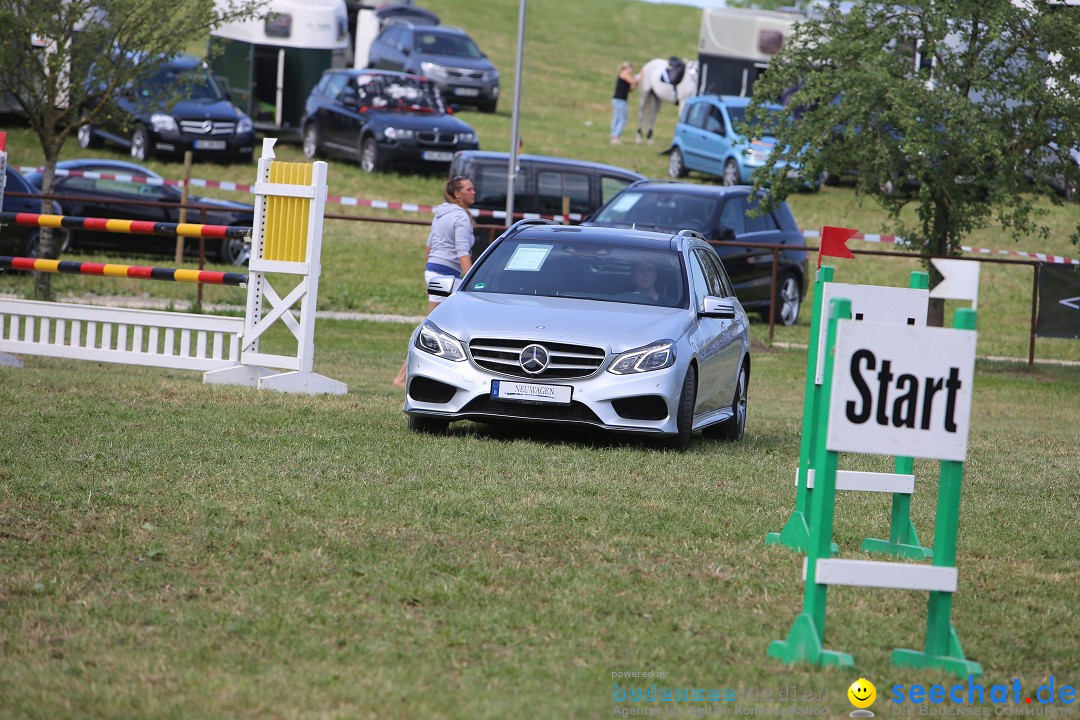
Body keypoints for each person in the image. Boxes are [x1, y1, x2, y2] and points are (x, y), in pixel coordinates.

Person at [392, 176, 477, 388]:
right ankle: (401, 378)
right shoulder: (460, 218)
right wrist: (473, 284)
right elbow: (462, 254)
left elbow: (428, 247)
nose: (473, 191)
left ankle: (405, 377)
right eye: (469, 188)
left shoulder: (440, 214)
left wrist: (431, 277)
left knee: (436, 326)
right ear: (458, 194)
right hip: (447, 275)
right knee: (431, 328)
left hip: (435, 272)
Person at [610, 61, 638, 144]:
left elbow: (629, 90)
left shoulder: (625, 76)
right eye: (630, 68)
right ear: (627, 68)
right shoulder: (624, 73)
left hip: (619, 99)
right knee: (623, 119)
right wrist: (638, 78)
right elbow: (632, 81)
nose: (631, 70)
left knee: (617, 118)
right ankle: (615, 137)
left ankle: (613, 135)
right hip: (620, 100)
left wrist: (636, 83)